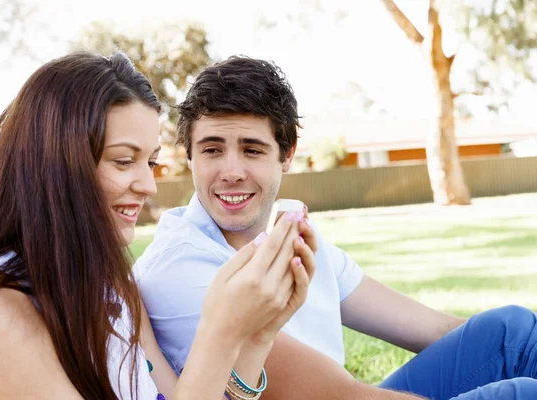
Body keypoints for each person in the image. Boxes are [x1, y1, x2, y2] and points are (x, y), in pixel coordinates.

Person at [134, 56, 537, 399]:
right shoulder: (179, 269)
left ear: (286, 155)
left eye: (252, 150)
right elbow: (340, 396)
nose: (232, 172)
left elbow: (433, 329)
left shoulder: (289, 234)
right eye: (212, 150)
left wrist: (496, 359)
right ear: (189, 156)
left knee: (510, 332)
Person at [0, 51, 317, 400]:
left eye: (149, 163)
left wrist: (255, 336)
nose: (148, 186)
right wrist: (219, 332)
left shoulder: (112, 288)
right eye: (123, 161)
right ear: (53, 164)